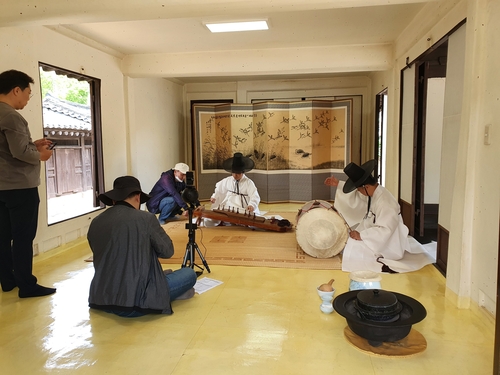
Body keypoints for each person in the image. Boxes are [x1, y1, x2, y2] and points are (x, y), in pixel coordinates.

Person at [87, 175, 197, 317]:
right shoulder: (145, 219)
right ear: (138, 197)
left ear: (114, 199)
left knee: (167, 273)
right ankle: (170, 294)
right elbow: (167, 251)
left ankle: (173, 291)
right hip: (137, 299)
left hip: (101, 297)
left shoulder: (96, 221)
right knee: (189, 274)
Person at [0, 69, 56, 298]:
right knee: (23, 237)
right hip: (20, 187)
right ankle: (27, 285)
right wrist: (40, 154)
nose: (27, 98)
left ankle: (7, 280)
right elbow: (20, 152)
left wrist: (32, 144)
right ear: (16, 90)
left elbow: (8, 150)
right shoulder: (12, 115)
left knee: (3, 235)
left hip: (2, 187)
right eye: (28, 93)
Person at [324, 160, 432, 273]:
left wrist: (362, 236)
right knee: (347, 240)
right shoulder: (375, 193)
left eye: (359, 190)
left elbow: (385, 230)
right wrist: (339, 184)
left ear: (366, 186)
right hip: (374, 235)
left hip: (389, 243)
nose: (359, 193)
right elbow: (359, 198)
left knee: (353, 248)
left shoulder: (386, 202)